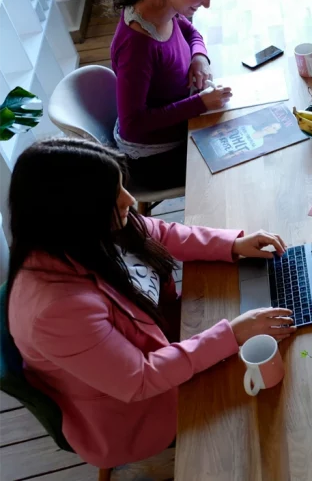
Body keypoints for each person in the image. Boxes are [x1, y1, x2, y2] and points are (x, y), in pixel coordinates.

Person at [5, 138, 295, 469]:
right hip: (136, 412)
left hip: (169, 337)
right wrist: (231, 334)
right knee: (276, 419)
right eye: (115, 196)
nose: (131, 199)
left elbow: (159, 232)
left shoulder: (82, 232)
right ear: (75, 211)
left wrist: (232, 245)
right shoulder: (55, 311)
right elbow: (139, 379)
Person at [108, 0, 233, 190]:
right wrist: (198, 103)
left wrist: (199, 56)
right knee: (235, 166)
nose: (207, 4)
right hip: (154, 157)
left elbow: (188, 30)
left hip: (180, 116)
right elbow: (134, 124)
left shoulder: (162, 4)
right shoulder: (137, 46)